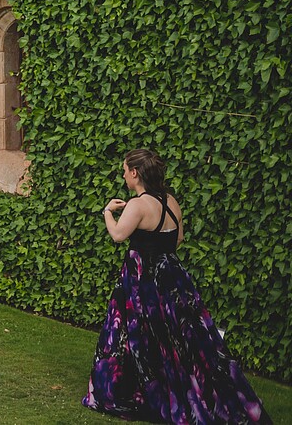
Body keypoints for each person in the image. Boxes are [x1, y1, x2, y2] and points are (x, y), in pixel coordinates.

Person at [85, 149, 272, 422]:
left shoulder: (137, 205)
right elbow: (178, 239)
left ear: (135, 173)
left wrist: (107, 212)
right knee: (183, 338)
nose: (123, 174)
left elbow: (117, 235)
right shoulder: (171, 201)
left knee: (137, 334)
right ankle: (197, 393)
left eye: (125, 169)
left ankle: (139, 392)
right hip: (172, 277)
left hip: (142, 280)